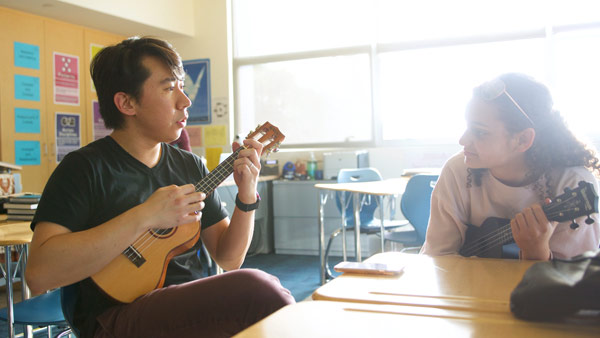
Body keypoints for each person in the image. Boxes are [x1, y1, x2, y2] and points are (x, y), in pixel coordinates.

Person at [25, 36, 294, 338]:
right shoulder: (83, 169)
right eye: (169, 88)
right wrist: (146, 215)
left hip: (189, 304)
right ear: (127, 103)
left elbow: (229, 259)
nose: (185, 100)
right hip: (114, 316)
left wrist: (246, 195)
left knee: (260, 304)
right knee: (258, 290)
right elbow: (39, 274)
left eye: (181, 85)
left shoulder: (190, 166)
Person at [421, 73, 600, 260]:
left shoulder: (574, 184)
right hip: (464, 289)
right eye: (467, 127)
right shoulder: (458, 170)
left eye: (480, 132)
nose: (463, 140)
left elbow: (575, 282)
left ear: (522, 140)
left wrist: (536, 252)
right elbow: (437, 256)